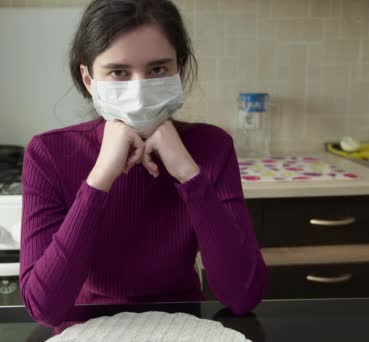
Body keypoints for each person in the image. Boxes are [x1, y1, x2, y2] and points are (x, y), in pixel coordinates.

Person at [19, 0, 267, 331]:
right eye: (118, 72)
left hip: (183, 330)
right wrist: (100, 178)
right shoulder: (48, 153)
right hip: (85, 333)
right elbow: (43, 307)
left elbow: (243, 295)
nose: (138, 90)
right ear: (89, 78)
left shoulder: (212, 147)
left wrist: (188, 174)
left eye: (157, 70)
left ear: (178, 69)